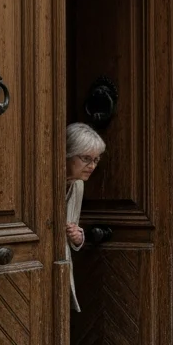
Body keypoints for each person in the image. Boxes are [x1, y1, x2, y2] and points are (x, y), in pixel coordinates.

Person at [66, 122, 106, 312]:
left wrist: (78, 237)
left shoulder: (78, 184)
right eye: (85, 159)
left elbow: (72, 226)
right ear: (67, 154)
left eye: (96, 160)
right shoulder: (45, 181)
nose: (91, 166)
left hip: (62, 265)